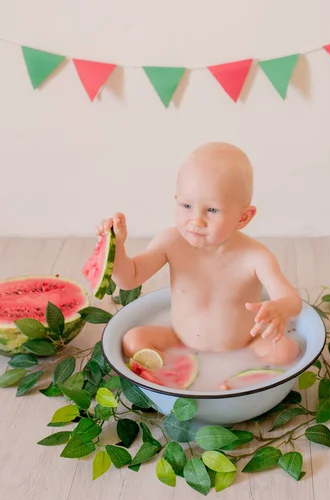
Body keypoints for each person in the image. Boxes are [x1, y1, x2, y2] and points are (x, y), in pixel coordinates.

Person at [96, 142, 302, 378]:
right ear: (176, 200)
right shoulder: (171, 242)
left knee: (287, 351)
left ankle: (239, 382)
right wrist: (117, 248)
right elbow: (129, 278)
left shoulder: (255, 256)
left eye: (212, 210)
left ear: (243, 217)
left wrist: (279, 308)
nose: (196, 221)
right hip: (178, 338)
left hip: (245, 343)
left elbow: (291, 300)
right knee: (133, 340)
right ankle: (169, 375)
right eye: (186, 206)